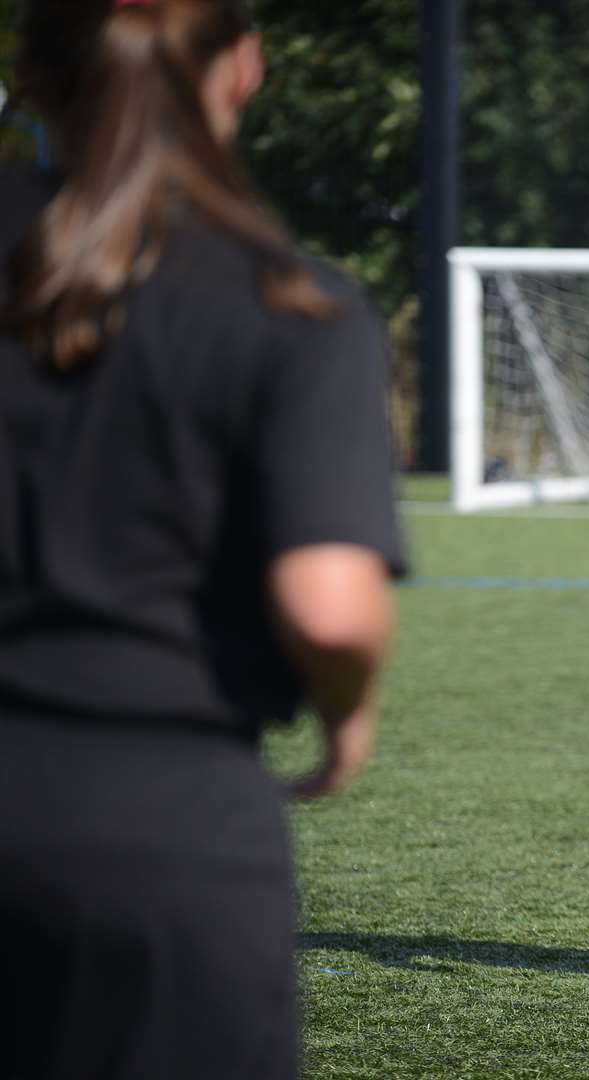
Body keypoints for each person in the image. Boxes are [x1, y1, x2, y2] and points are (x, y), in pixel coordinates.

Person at [0, 2, 404, 1077]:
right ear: (244, 69)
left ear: (32, 76)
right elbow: (330, 605)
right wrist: (348, 714)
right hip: (157, 831)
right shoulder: (291, 300)